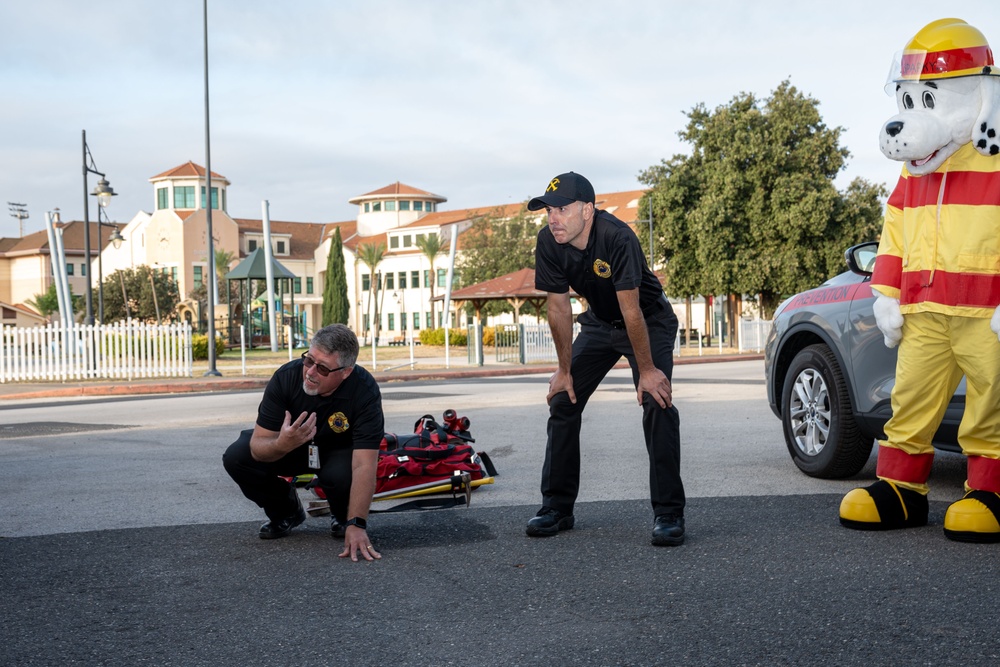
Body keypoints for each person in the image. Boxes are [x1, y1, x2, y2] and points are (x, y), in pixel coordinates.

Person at [525, 171, 686, 546]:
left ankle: (668, 513)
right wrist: (564, 372)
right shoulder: (549, 241)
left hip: (647, 320)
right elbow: (559, 309)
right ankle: (557, 507)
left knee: (656, 401)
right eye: (549, 210)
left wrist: (647, 371)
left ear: (588, 210)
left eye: (562, 209)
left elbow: (632, 312)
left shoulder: (617, 236)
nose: (553, 218)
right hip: (598, 324)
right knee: (564, 399)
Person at [222, 324, 385, 561]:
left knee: (342, 474)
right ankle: (286, 511)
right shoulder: (285, 377)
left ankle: (343, 517)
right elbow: (259, 445)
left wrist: (357, 524)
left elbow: (364, 464)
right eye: (309, 360)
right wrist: (283, 444)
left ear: (346, 372)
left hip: (336, 452)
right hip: (289, 446)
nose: (310, 372)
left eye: (322, 368)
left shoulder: (364, 391)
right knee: (237, 457)